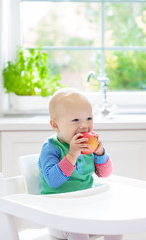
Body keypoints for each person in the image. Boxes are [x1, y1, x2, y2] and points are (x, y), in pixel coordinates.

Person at [38, 88, 123, 240]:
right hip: (59, 215)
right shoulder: (51, 147)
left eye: (89, 118)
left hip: (87, 209)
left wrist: (99, 153)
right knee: (79, 231)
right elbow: (53, 181)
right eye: (76, 120)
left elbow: (106, 174)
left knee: (116, 225)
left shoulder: (88, 145)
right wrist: (72, 155)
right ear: (55, 125)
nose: (84, 126)